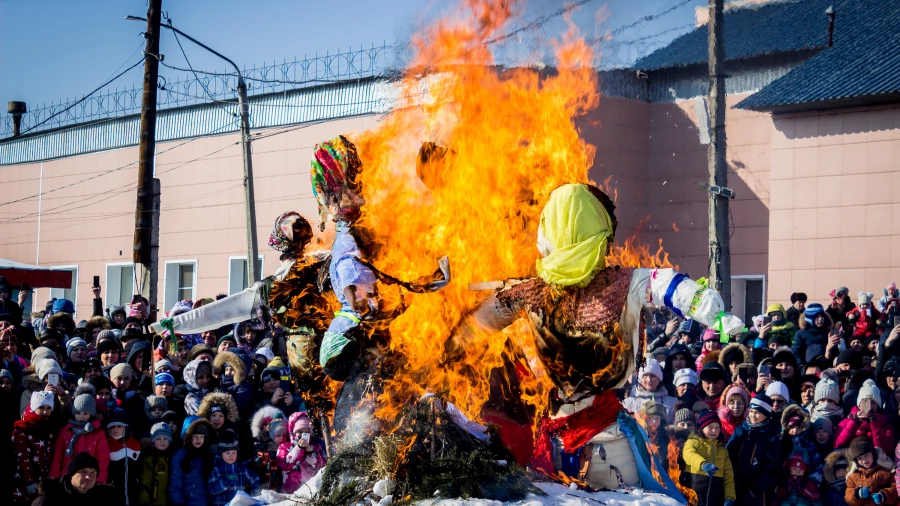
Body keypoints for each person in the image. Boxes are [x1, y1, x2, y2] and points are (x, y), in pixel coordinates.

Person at [727, 393, 786, 506]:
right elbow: (728, 454)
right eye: (752, 411)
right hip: (735, 485)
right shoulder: (740, 431)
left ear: (766, 415)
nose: (753, 416)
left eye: (758, 413)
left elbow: (772, 469)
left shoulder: (771, 438)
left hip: (758, 492)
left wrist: (756, 488)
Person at [50, 391, 110, 484]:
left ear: (91, 414)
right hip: (67, 478)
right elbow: (58, 457)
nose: (81, 416)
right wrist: (54, 477)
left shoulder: (98, 434)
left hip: (89, 480)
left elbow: (102, 459)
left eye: (85, 413)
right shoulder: (65, 432)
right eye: (78, 413)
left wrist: (99, 481)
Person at [682, 410, 736, 506]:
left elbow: (728, 477)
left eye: (717, 427)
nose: (714, 431)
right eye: (710, 427)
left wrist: (729, 497)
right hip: (693, 495)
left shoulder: (722, 451)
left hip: (715, 499)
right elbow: (689, 454)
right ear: (702, 427)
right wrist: (703, 464)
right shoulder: (693, 442)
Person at [12, 392, 57, 505]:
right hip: (24, 479)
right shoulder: (23, 428)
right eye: (41, 407)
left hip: (44, 478)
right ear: (33, 407)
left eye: (48, 408)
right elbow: (22, 456)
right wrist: (29, 479)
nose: (45, 411)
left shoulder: (50, 427)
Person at [32, 453, 117, 506]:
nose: (88, 477)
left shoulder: (103, 499)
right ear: (71, 475)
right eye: (83, 472)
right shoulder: (49, 499)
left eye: (93, 472)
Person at [835, 380, 896, 453]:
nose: (869, 406)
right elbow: (837, 445)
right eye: (865, 402)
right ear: (859, 404)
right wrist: (854, 422)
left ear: (878, 406)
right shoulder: (846, 422)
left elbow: (886, 450)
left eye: (873, 403)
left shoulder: (886, 426)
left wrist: (874, 423)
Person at [277, 411, 327, 494]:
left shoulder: (316, 446)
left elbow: (322, 466)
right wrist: (299, 448)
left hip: (311, 491)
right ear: (293, 431)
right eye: (299, 431)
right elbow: (285, 464)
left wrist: (311, 453)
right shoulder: (284, 447)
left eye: (306, 432)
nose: (302, 435)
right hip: (290, 492)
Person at [208, 429, 260, 506]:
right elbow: (212, 489)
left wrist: (254, 496)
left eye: (234, 453)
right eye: (227, 453)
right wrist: (226, 482)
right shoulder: (217, 469)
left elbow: (255, 479)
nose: (231, 455)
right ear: (221, 454)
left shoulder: (242, 469)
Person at [170, 417, 214, 506]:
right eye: (195, 436)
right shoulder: (181, 456)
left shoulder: (208, 455)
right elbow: (175, 482)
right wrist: (178, 502)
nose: (199, 440)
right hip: (187, 502)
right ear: (188, 437)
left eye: (201, 437)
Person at [844, 438, 896, 506]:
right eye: (860, 458)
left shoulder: (886, 471)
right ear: (856, 461)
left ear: (873, 454)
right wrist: (857, 494)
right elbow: (848, 498)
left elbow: (896, 488)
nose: (864, 461)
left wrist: (884, 495)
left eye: (866, 456)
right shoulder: (853, 476)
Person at [105, 409, 141, 506]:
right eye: (112, 426)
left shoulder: (136, 444)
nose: (115, 429)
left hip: (133, 489)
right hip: (114, 488)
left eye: (119, 426)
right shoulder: (106, 444)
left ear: (125, 427)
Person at [623, 358, 677, 422]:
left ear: (659, 378)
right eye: (645, 376)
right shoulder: (628, 403)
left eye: (652, 376)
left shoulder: (673, 403)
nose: (649, 380)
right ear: (640, 379)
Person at [138, 423, 173, 506]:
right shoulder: (150, 459)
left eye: (165, 438)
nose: (162, 441)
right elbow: (145, 482)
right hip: (154, 501)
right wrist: (144, 501)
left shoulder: (172, 457)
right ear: (152, 441)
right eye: (158, 439)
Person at [793, 303, 833, 369]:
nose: (820, 319)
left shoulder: (829, 332)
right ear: (809, 318)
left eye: (822, 316)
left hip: (828, 367)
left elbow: (837, 352)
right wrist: (801, 366)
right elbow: (796, 352)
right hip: (808, 369)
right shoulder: (801, 334)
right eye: (816, 316)